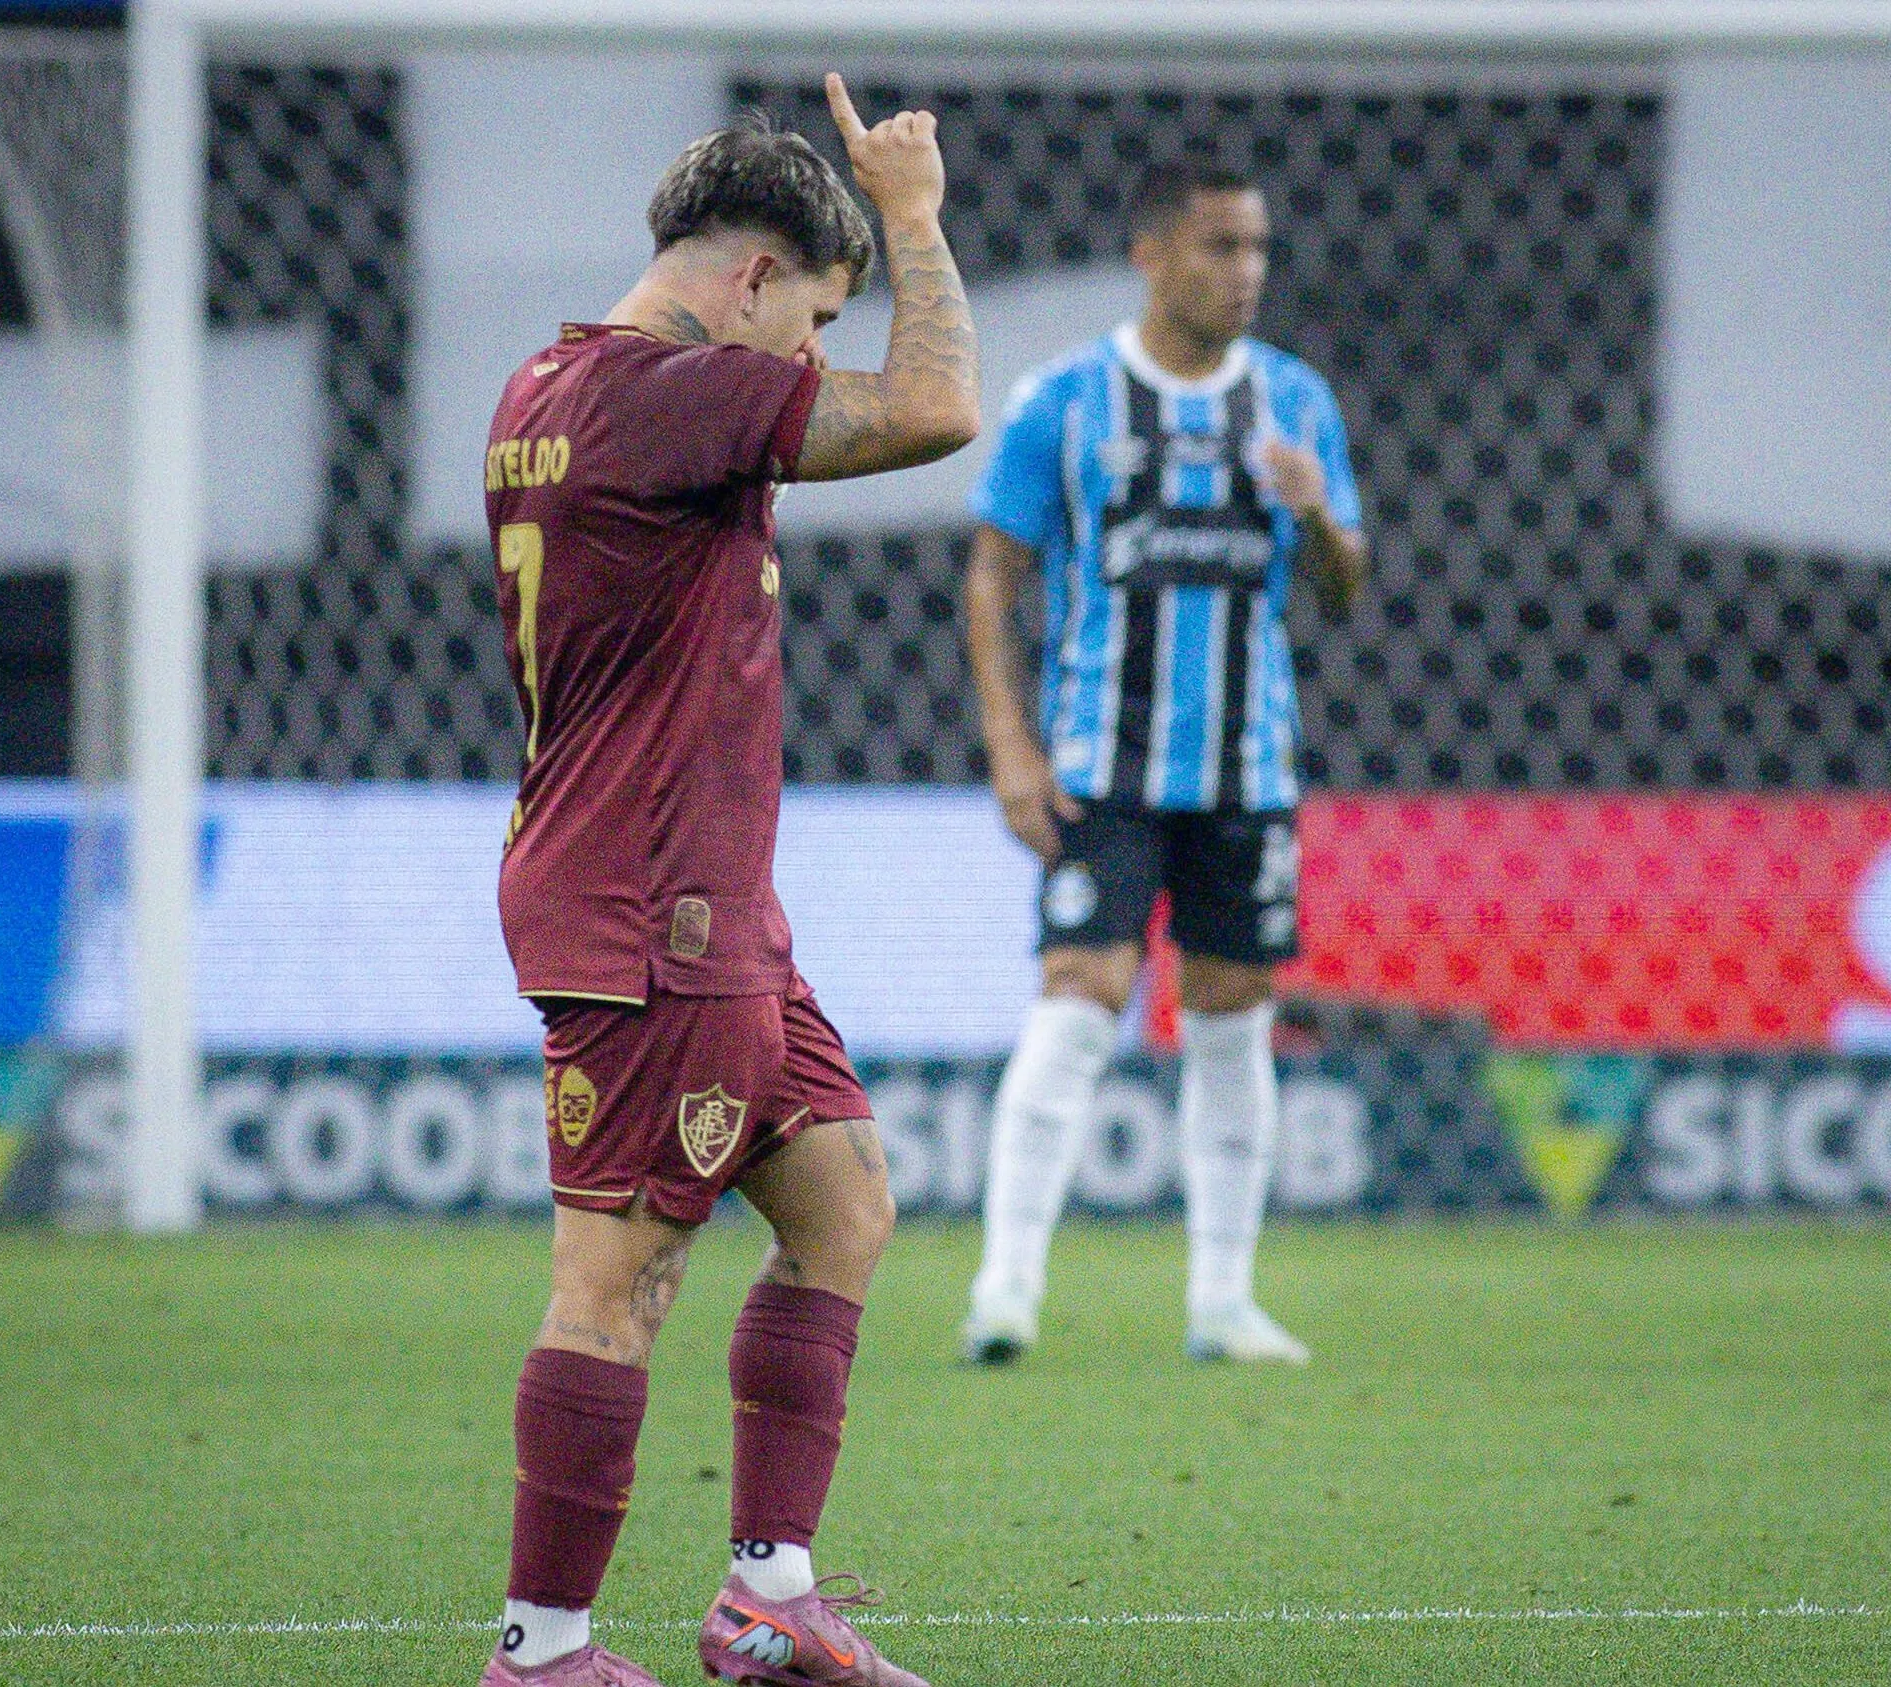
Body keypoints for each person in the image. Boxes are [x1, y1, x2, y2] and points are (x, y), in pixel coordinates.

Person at [476, 76, 975, 1687]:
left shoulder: (545, 384)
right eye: (816, 315)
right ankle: (541, 1646)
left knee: (841, 1203)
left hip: (707, 904)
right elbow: (931, 410)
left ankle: (771, 1592)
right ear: (750, 276)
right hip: (649, 911)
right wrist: (911, 216)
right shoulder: (660, 395)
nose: (817, 358)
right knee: (615, 1283)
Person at [958, 160, 1369, 1368]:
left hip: (1247, 768)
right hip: (1104, 762)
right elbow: (994, 568)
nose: (1244, 272)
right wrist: (1011, 744)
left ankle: (1222, 1300)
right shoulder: (1067, 400)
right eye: (1218, 247)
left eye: (1256, 248)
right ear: (1152, 253)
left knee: (1234, 1019)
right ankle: (1006, 1287)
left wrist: (1317, 519)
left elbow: (1344, 593)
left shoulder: (1297, 404)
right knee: (1081, 990)